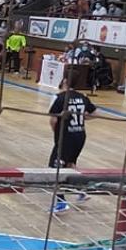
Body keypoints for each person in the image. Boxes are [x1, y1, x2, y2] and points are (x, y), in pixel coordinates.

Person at [48, 76, 97, 214]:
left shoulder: (60, 97)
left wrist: (58, 136)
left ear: (64, 81)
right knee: (70, 165)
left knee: (54, 170)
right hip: (80, 135)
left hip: (66, 138)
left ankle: (61, 202)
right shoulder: (82, 97)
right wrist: (83, 118)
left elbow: (53, 121)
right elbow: (96, 113)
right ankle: (81, 192)